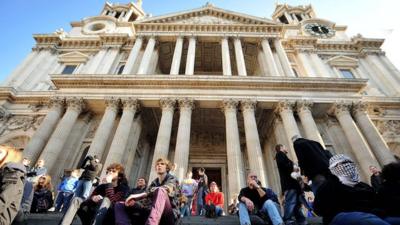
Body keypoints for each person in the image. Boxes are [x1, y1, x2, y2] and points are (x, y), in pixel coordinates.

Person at [313, 154, 391, 225]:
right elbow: (319, 209)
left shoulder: (363, 185)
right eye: (340, 164)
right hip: (343, 217)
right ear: (332, 169)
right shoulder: (327, 187)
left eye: (348, 162)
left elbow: (376, 201)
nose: (346, 166)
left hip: (372, 215)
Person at [60, 163, 129, 225]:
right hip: (91, 211)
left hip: (108, 216)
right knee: (76, 199)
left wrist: (109, 184)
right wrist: (93, 198)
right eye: (109, 171)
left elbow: (114, 202)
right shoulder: (101, 187)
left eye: (113, 171)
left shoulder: (123, 189)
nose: (110, 172)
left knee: (105, 200)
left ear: (119, 176)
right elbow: (88, 200)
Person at [120, 158, 179, 225]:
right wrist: (134, 202)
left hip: (169, 214)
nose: (159, 165)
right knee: (120, 204)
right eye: (157, 164)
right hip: (152, 211)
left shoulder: (173, 179)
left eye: (162, 164)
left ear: (167, 168)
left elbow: (167, 188)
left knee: (160, 190)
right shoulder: (154, 182)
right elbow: (146, 199)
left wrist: (139, 195)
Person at [275, 144, 306, 225]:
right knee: (291, 201)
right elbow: (283, 165)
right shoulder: (280, 154)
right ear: (281, 148)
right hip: (289, 183)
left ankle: (301, 219)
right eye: (285, 146)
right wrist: (294, 167)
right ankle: (287, 219)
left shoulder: (283, 156)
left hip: (292, 184)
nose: (286, 148)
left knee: (296, 203)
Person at [0, 145, 25, 225]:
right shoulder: (3, 173)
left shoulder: (13, 175)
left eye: (0, 152)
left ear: (10, 156)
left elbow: (3, 200)